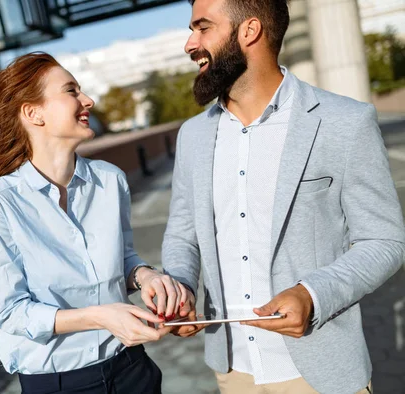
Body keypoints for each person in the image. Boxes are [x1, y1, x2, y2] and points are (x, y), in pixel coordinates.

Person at [161, 0, 405, 393]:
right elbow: (182, 234)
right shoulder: (193, 136)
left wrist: (312, 293)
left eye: (203, 28)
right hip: (233, 372)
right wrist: (181, 288)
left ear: (249, 30)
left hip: (320, 372)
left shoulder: (345, 121)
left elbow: (385, 241)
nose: (191, 43)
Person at [0, 52, 187, 394]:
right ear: (33, 113)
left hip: (131, 369)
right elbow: (12, 313)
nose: (88, 100)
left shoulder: (110, 180)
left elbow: (123, 258)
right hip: (58, 384)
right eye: (71, 91)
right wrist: (100, 316)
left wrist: (146, 276)